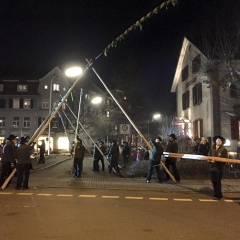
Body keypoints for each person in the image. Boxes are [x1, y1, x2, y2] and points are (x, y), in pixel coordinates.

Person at [209, 135, 228, 200]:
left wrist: (217, 161)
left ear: (222, 142)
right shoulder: (212, 148)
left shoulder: (223, 150)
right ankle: (219, 193)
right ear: (215, 141)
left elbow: (224, 159)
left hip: (219, 168)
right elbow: (209, 156)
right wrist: (209, 161)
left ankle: (217, 195)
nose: (219, 141)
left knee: (217, 181)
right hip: (212, 168)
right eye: (217, 140)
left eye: (220, 140)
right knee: (213, 181)